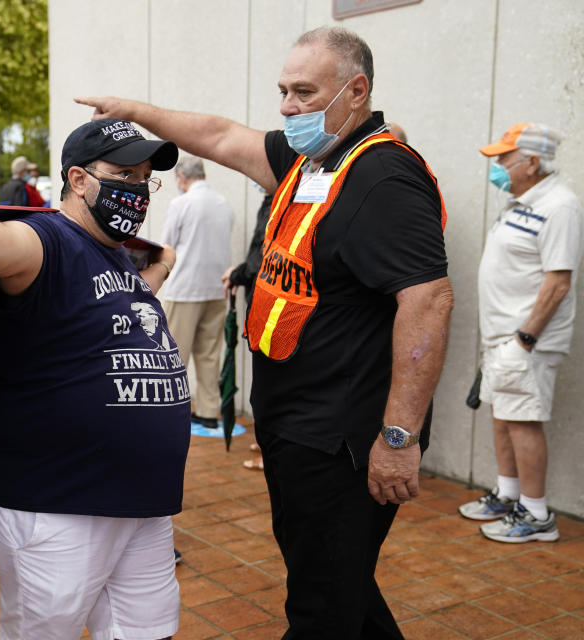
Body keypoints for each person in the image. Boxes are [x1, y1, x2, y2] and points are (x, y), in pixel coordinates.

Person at [77, 25, 452, 639]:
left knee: (319, 606)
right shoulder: (310, 161)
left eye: (303, 92)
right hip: (294, 424)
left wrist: (399, 435)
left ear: (355, 91)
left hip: (343, 439)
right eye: (282, 90)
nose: (286, 107)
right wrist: (135, 113)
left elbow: (430, 300)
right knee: (339, 583)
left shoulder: (383, 176)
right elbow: (221, 135)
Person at [0, 118, 188, 639]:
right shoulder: (47, 240)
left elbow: (110, 312)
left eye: (143, 178)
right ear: (78, 179)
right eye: (124, 174)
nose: (136, 189)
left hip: (141, 501)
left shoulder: (115, 255)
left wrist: (160, 268)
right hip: (55, 502)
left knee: (148, 634)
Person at [458, 123, 582, 543]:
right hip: (502, 337)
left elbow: (558, 281)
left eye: (504, 160)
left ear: (531, 162)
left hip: (527, 341)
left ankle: (536, 514)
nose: (497, 168)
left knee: (523, 420)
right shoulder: (519, 201)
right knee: (502, 414)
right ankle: (509, 495)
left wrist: (524, 339)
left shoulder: (560, 206)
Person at [161, 156, 233, 429]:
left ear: (181, 178)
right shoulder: (223, 204)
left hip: (186, 287)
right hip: (216, 287)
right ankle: (207, 410)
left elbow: (167, 244)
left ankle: (170, 411)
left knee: (174, 353)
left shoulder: (181, 203)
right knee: (209, 353)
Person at [221, 188, 273, 470]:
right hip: (262, 304)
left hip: (271, 309)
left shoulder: (281, 197)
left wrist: (239, 273)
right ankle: (266, 440)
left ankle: (270, 449)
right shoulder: (274, 197)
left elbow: (261, 255)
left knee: (270, 385)